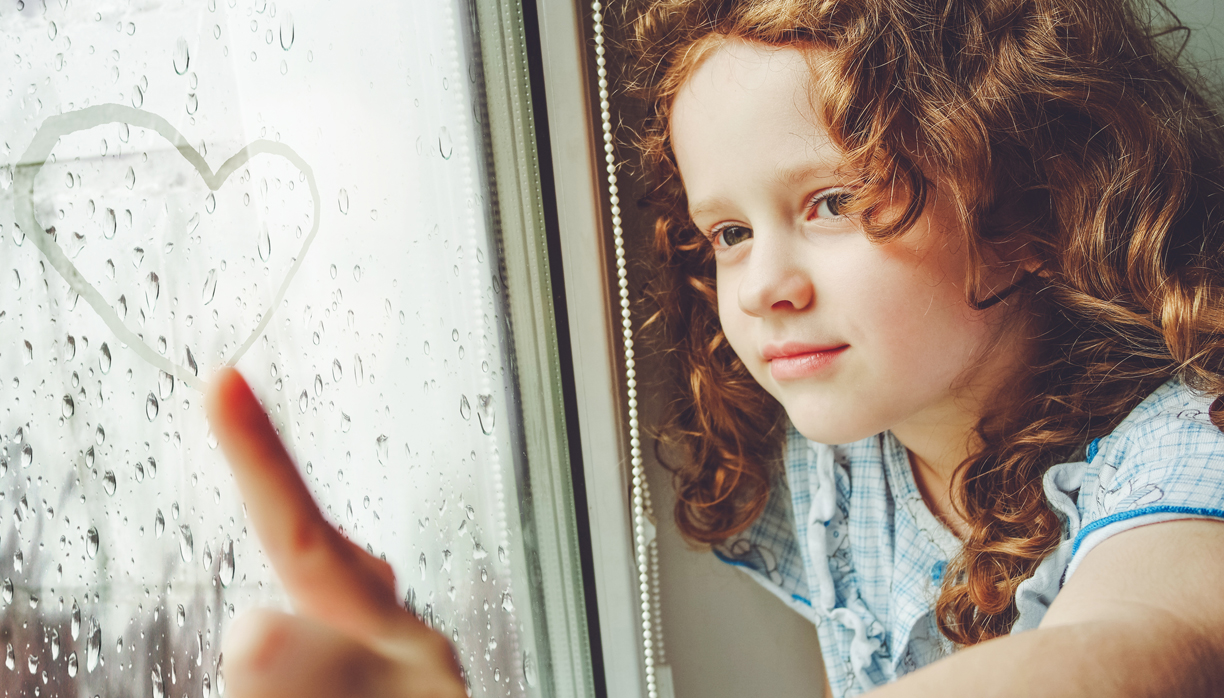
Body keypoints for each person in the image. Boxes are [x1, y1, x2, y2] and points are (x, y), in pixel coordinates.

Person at [205, 0, 1224, 695]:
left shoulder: (1181, 445)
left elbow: (1145, 646)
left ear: (1028, 204)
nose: (762, 283)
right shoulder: (839, 462)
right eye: (729, 233)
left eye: (829, 201)